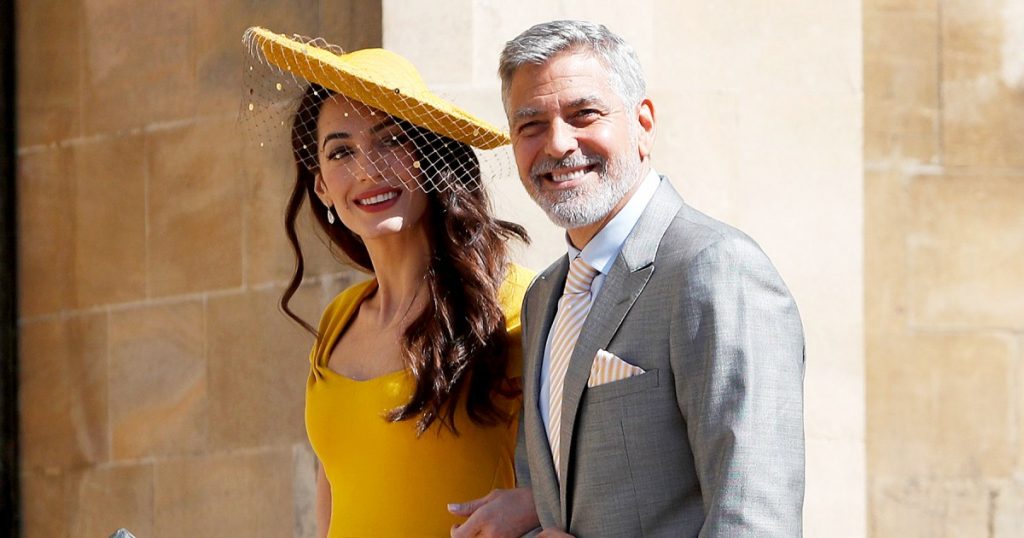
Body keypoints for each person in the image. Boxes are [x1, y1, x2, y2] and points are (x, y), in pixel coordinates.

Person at [455, 20, 805, 537]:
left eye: (584, 115)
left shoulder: (715, 268)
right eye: (531, 126)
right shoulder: (544, 297)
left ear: (643, 124)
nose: (558, 144)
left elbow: (755, 521)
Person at [241, 28, 538, 537]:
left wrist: (533, 506)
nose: (367, 169)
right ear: (321, 186)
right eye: (340, 152)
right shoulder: (337, 320)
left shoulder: (518, 304)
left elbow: (595, 475)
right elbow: (333, 500)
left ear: (432, 158)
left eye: (391, 141)